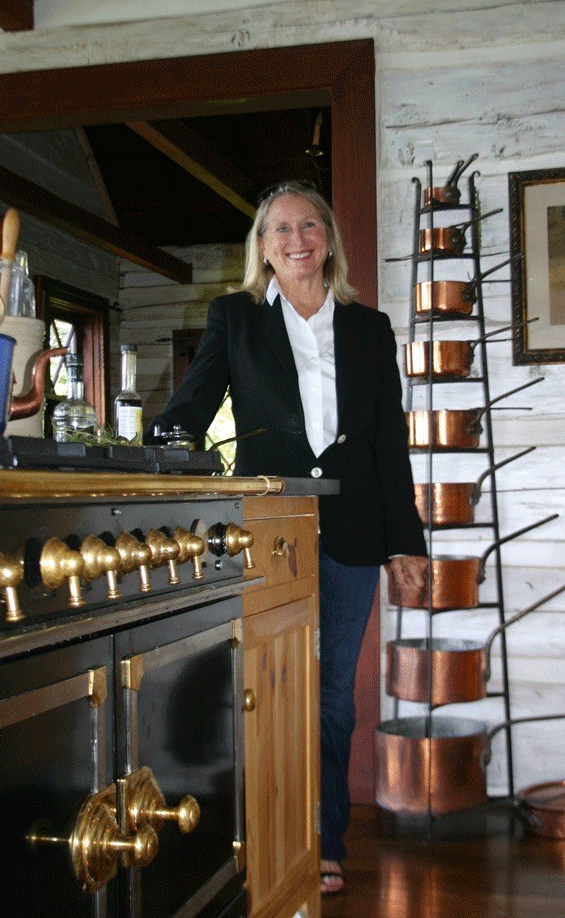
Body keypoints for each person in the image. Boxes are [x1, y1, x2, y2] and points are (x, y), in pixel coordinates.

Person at [146, 180, 427, 896]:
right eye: (280, 229)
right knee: (263, 688)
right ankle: (260, 831)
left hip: (355, 531)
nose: (297, 239)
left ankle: (324, 837)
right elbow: (192, 406)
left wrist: (407, 543)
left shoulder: (369, 328)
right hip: (267, 530)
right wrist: (158, 455)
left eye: (309, 226)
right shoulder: (234, 318)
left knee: (332, 692)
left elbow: (388, 444)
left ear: (328, 239)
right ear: (263, 248)